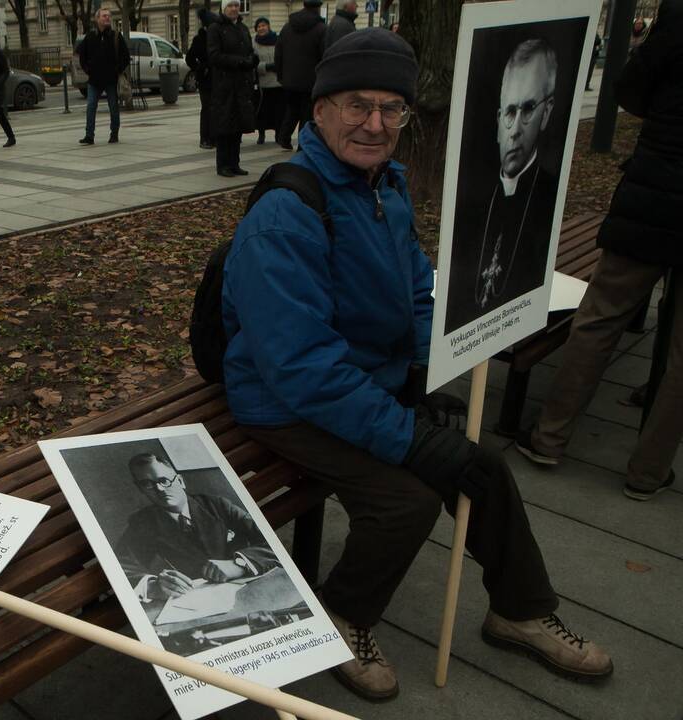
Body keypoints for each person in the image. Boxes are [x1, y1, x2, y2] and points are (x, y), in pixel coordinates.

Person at [220, 28, 612, 701]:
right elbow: (301, 368)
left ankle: (518, 609)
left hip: (360, 380)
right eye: (356, 105)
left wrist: (427, 372)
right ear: (319, 110)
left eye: (391, 109)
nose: (375, 124)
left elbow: (417, 291)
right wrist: (406, 435)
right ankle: (343, 614)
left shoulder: (384, 186)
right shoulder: (288, 212)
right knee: (408, 499)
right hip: (280, 399)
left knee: (481, 464)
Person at [517, 0, 683, 502]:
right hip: (659, 181)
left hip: (658, 184)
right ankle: (648, 471)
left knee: (601, 315)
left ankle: (549, 437)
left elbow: (631, 88)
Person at [444, 38, 560, 333]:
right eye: (509, 113)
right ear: (498, 122)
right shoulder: (473, 201)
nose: (516, 130)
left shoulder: (548, 196)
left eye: (529, 109)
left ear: (546, 113)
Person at [114, 453, 278, 601]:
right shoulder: (143, 522)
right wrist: (153, 586)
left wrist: (239, 564)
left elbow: (272, 542)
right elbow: (118, 565)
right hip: (197, 599)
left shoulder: (217, 505)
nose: (159, 489)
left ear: (180, 481)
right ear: (141, 489)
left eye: (163, 480)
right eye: (147, 484)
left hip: (251, 585)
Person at [207, 0, 256, 177]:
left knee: (237, 126)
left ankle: (235, 163)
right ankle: (223, 165)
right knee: (224, 126)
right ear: (223, 8)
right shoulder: (216, 28)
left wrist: (252, 60)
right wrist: (239, 61)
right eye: (230, 6)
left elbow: (249, 50)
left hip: (241, 84)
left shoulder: (242, 28)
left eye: (236, 5)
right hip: (224, 85)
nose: (234, 9)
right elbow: (214, 55)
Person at [274, 0, 326, 150]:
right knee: (307, 115)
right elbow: (324, 55)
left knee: (292, 110)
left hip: (289, 80)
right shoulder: (321, 29)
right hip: (311, 81)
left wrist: (281, 75)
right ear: (318, 7)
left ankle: (284, 138)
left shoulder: (287, 27)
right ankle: (302, 145)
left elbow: (279, 53)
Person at [77, 8, 129, 145]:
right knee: (91, 106)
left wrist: (118, 70)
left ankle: (114, 133)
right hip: (94, 80)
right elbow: (82, 56)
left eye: (109, 16)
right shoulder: (90, 36)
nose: (107, 18)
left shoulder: (116, 36)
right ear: (97, 19)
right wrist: (88, 70)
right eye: (104, 16)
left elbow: (126, 57)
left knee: (113, 107)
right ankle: (89, 135)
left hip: (111, 80)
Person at [186, 8, 217, 149]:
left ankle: (214, 136)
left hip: (218, 77)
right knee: (207, 108)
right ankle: (205, 138)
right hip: (205, 79)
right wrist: (200, 68)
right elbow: (189, 58)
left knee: (216, 107)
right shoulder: (199, 39)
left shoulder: (217, 37)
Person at [251, 17, 281, 145]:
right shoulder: (253, 43)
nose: (261, 28)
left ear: (268, 27)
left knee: (279, 111)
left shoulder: (278, 40)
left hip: (279, 82)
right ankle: (261, 134)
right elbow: (251, 63)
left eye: (264, 25)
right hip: (263, 83)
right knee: (263, 112)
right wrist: (266, 66)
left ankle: (278, 134)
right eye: (259, 26)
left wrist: (279, 66)